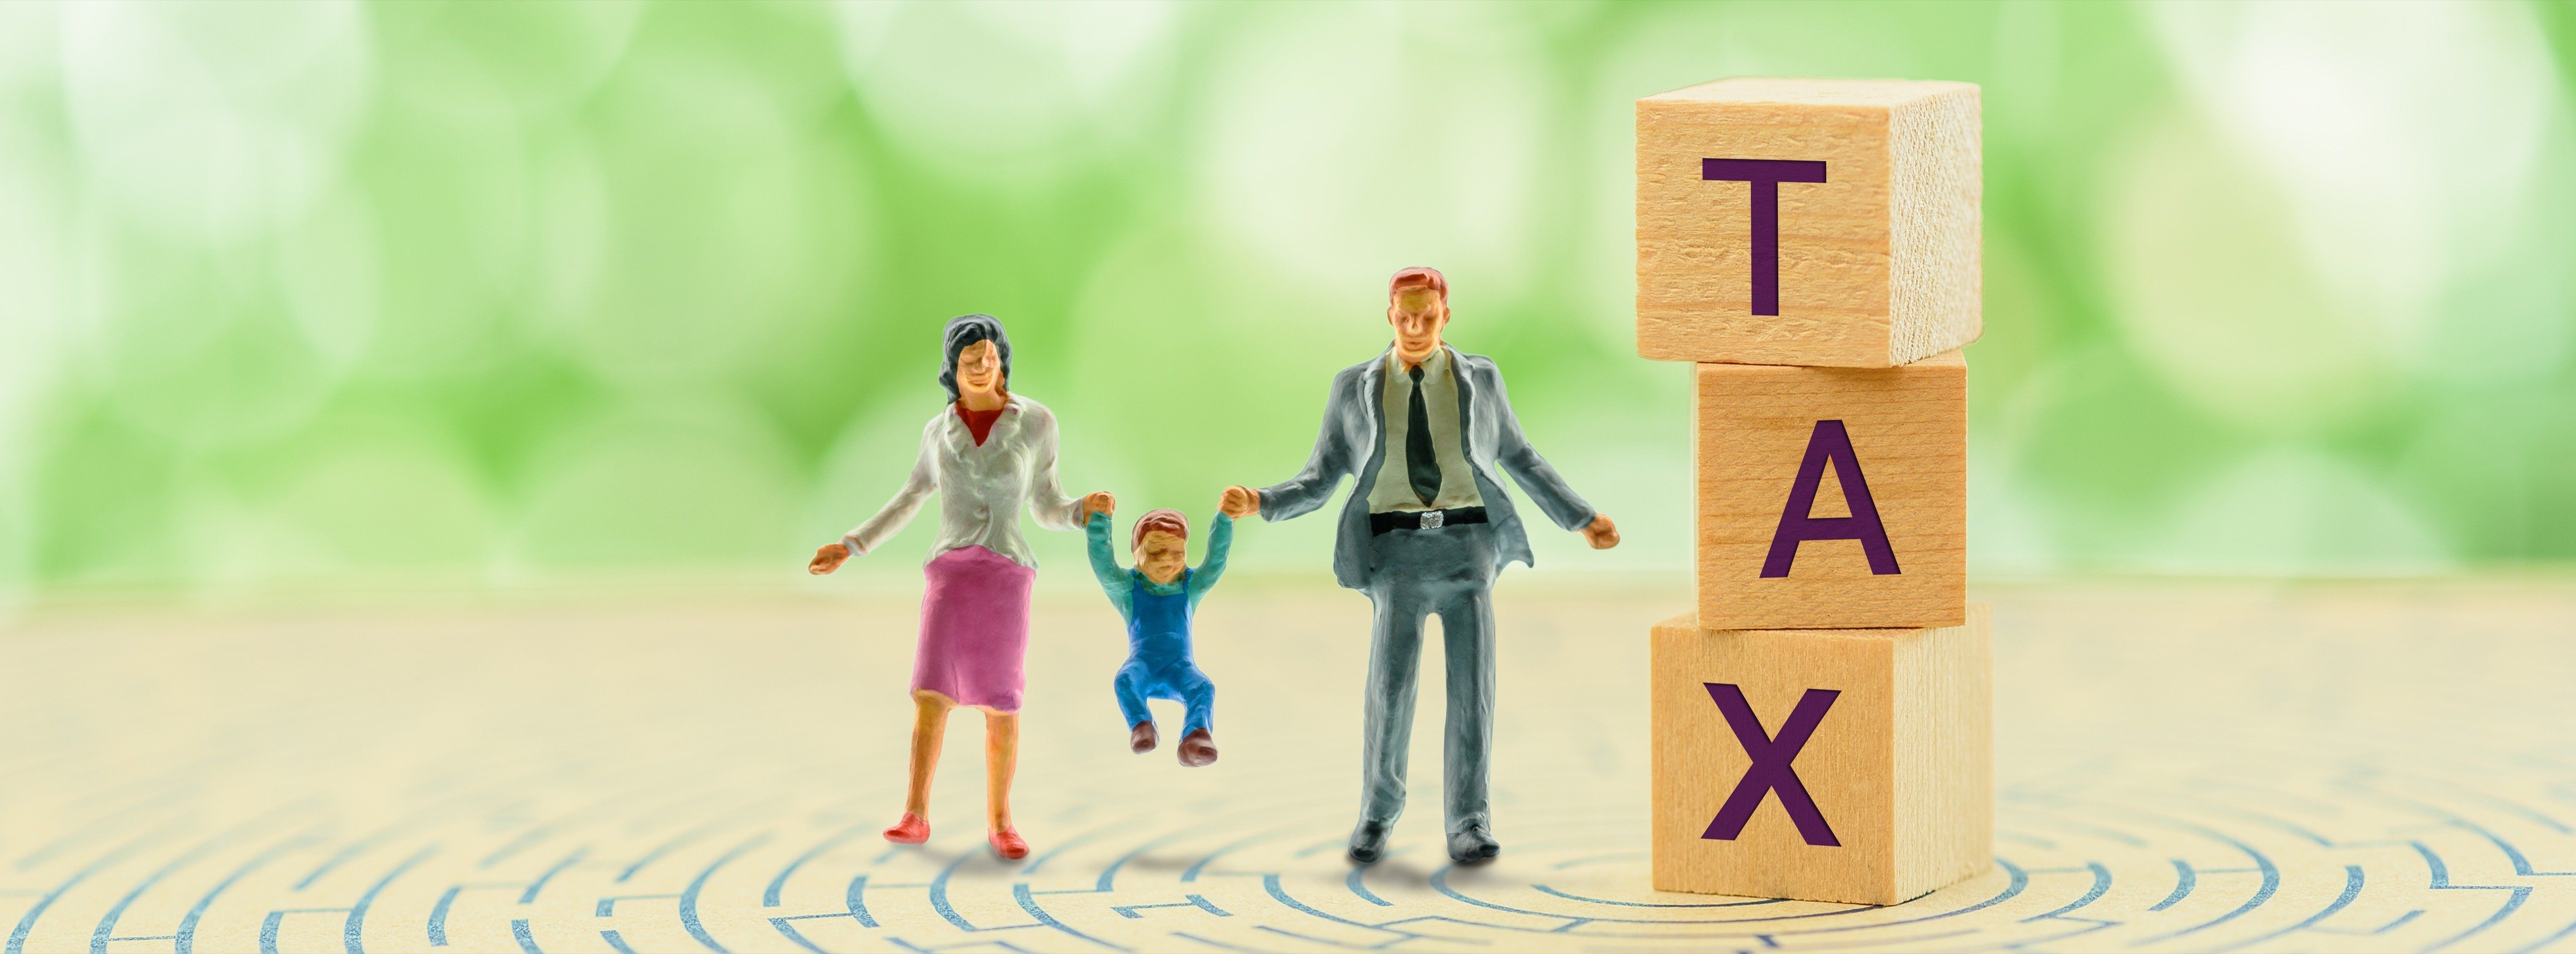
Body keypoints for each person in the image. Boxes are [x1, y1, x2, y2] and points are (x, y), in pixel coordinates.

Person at [1220, 267, 1619, 865]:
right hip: (1396, 554)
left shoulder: (1480, 379)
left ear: (1445, 314)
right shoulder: (1354, 386)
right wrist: (1264, 501)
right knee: (1390, 688)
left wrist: (1581, 518)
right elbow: (1323, 474)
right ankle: (1377, 813)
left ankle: (1469, 819)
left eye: (1426, 316)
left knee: (1473, 691)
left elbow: (1520, 457)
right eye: (1404, 316)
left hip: (1467, 547)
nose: (1414, 327)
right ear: (1388, 314)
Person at [808, 313, 1111, 861]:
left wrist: (1080, 513)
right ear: (952, 369)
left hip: (1005, 573)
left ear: (1001, 362)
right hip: (949, 572)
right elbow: (909, 498)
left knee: (1002, 702)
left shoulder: (1036, 423)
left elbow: (1045, 503)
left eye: (987, 359)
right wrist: (852, 545)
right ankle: (915, 812)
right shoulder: (937, 431)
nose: (979, 369)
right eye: (968, 362)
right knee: (931, 695)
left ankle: (1001, 821)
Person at [1084, 506, 1231, 767]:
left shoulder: (1190, 586)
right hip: (1143, 664)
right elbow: (1103, 566)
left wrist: (1225, 519)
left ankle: (1196, 736)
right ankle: (1142, 725)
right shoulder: (1128, 589)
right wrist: (1099, 523)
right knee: (1125, 681)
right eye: (1156, 552)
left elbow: (1215, 563)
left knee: (1204, 688)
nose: (1167, 561)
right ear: (1137, 554)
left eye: (1177, 553)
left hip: (1181, 667)